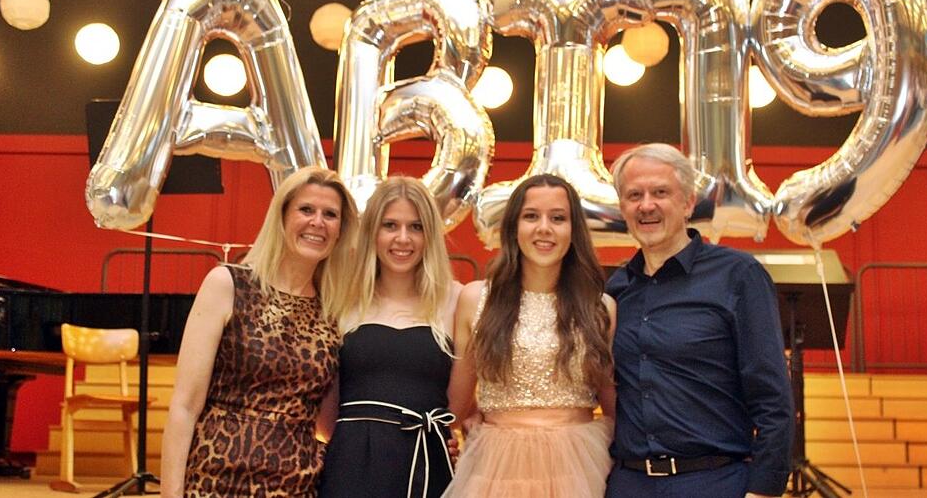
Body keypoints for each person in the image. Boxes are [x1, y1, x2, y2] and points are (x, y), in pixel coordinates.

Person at [605, 143, 793, 498]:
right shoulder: (617, 288)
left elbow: (773, 397)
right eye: (634, 195)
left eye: (661, 193)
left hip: (714, 482)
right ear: (622, 208)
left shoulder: (738, 275)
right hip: (630, 484)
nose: (647, 205)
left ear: (688, 203)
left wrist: (764, 489)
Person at [160, 166, 358, 498]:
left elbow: (329, 420)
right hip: (216, 480)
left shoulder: (334, 311)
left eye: (330, 214)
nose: (318, 222)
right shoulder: (228, 284)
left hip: (296, 485)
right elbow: (184, 407)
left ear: (341, 230)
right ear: (281, 217)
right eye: (306, 209)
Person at [444, 174, 616, 498]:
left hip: (578, 465)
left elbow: (613, 404)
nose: (544, 228)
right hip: (497, 467)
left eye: (558, 218)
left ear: (574, 230)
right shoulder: (476, 299)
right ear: (513, 227)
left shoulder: (600, 307)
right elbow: (456, 404)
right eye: (531, 216)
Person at [318, 176, 462, 498]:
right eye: (390, 225)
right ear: (372, 231)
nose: (403, 238)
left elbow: (462, 405)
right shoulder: (340, 300)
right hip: (352, 465)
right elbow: (326, 412)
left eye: (416, 227)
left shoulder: (455, 300)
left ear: (430, 235)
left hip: (427, 464)